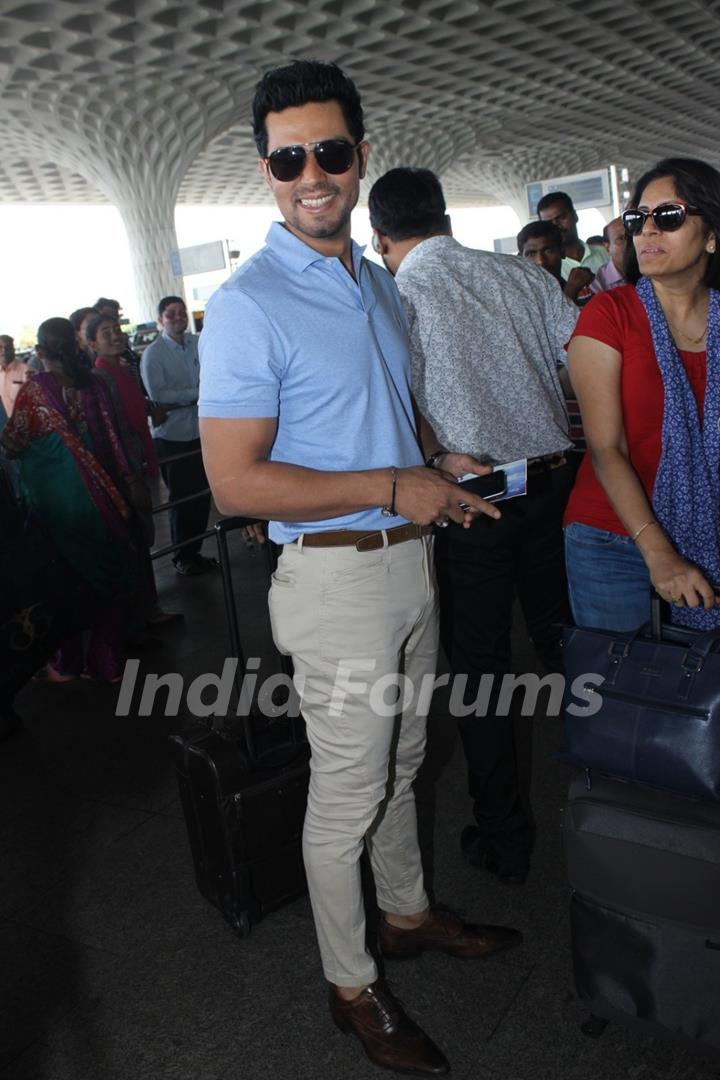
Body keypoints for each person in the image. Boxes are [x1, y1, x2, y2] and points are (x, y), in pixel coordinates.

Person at [199, 59, 520, 1078]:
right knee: (345, 792)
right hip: (334, 580)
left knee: (406, 764)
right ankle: (350, 984)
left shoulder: (376, 282)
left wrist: (434, 463)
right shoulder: (250, 303)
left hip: (409, 560)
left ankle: (409, 913)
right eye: (289, 157)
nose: (312, 173)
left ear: (360, 156)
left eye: (329, 152)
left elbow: (387, 413)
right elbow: (236, 485)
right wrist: (391, 486)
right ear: (267, 169)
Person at [369, 166, 577, 889]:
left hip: (469, 504)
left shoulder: (394, 298)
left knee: (482, 672)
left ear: (381, 236)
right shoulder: (524, 275)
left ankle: (505, 839)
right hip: (552, 481)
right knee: (566, 643)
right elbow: (579, 362)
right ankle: (613, 795)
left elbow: (393, 408)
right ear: (445, 216)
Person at [564, 156, 720, 632]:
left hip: (709, 528)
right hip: (613, 537)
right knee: (622, 695)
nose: (647, 231)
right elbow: (607, 448)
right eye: (638, 219)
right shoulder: (610, 314)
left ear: (712, 234)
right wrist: (659, 553)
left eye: (668, 216)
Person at [0, 318, 141, 681]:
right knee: (107, 580)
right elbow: (113, 440)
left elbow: (13, 443)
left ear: (42, 351)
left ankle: (66, 663)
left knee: (62, 583)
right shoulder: (94, 384)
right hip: (106, 500)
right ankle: (106, 661)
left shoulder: (36, 391)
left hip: (59, 508)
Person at [85, 313, 182, 628]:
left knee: (142, 537)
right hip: (128, 469)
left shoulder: (122, 370)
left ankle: (148, 607)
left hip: (138, 461)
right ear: (91, 343)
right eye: (105, 333)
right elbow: (114, 430)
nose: (115, 336)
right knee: (135, 539)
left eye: (116, 330)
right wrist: (129, 472)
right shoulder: (101, 377)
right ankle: (143, 612)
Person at [141, 296, 214, 576]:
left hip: (201, 431)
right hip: (173, 437)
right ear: (161, 319)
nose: (178, 317)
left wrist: (188, 396)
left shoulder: (199, 344)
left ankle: (195, 552)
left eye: (181, 312)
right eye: (171, 314)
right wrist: (197, 393)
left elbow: (213, 376)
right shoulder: (154, 354)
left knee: (201, 497)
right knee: (183, 499)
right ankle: (182, 557)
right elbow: (159, 395)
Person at [537, 190, 609, 286]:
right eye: (549, 223)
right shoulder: (546, 268)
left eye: (561, 217)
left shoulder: (606, 253)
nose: (556, 226)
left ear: (575, 216)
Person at [517, 220, 596, 304]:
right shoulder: (517, 299)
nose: (541, 261)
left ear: (562, 251)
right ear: (520, 259)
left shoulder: (584, 290)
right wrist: (571, 290)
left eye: (548, 251)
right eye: (531, 254)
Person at [589, 216, 627, 293]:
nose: (629, 243)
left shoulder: (650, 270)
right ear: (607, 247)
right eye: (621, 239)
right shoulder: (597, 283)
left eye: (633, 236)